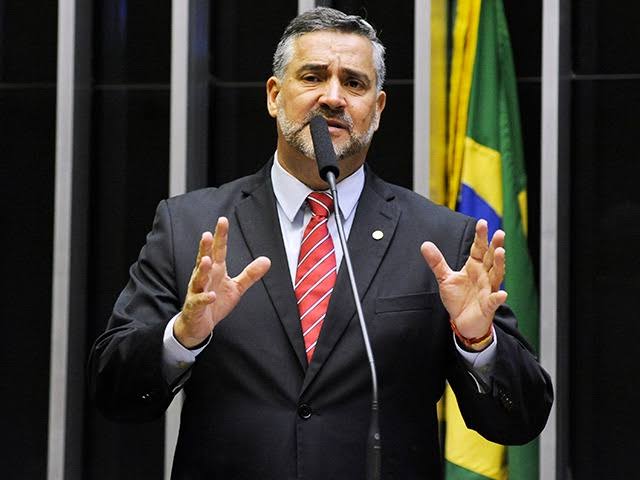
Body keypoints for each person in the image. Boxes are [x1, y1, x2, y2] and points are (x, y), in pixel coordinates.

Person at [88, 7, 552, 479]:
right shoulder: (192, 226)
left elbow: (520, 420)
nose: (332, 97)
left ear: (378, 108)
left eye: (353, 83)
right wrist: (182, 338)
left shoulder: (441, 240)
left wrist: (477, 342)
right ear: (274, 95)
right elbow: (114, 393)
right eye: (312, 77)